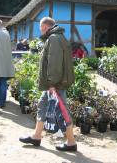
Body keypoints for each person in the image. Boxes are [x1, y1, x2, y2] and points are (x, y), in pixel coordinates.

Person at [19, 17, 77, 151]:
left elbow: (54, 63)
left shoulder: (54, 38)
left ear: (45, 26)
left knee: (62, 110)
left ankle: (71, 142)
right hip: (53, 83)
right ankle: (36, 136)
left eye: (41, 28)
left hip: (55, 83)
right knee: (42, 106)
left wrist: (51, 83)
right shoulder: (57, 37)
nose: (41, 31)